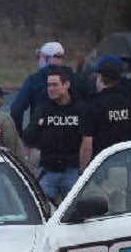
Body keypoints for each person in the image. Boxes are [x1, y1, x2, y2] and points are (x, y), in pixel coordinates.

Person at [21, 67, 84, 202]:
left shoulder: (80, 108)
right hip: (48, 169)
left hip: (72, 169)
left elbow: (87, 140)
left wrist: (83, 170)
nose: (51, 88)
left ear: (66, 85)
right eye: (49, 85)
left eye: (55, 85)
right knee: (43, 208)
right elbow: (28, 137)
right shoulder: (44, 109)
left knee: (75, 208)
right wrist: (39, 123)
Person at [11, 41, 90, 133]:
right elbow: (89, 109)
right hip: (73, 139)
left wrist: (19, 137)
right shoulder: (79, 79)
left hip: (41, 139)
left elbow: (16, 110)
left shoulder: (34, 80)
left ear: (45, 58)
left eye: (39, 57)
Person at [78, 54, 131, 170]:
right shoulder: (130, 101)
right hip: (127, 165)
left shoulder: (93, 105)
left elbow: (87, 146)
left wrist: (83, 173)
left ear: (100, 77)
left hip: (101, 170)